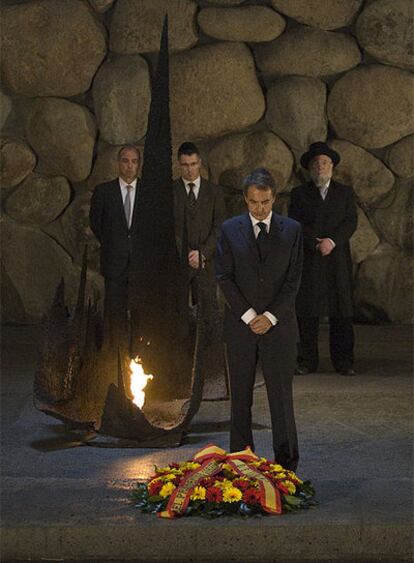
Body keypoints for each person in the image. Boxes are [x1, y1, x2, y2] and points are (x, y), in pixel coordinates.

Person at [215, 168, 303, 471]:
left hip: (279, 329)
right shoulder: (229, 230)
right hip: (241, 328)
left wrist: (271, 317)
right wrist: (251, 316)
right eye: (254, 202)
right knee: (240, 400)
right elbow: (224, 277)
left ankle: (287, 466)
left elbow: (293, 281)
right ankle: (240, 464)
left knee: (281, 399)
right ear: (245, 199)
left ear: (274, 198)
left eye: (265, 202)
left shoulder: (292, 231)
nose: (260, 209)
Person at [288, 142, 358, 376]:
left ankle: (344, 362)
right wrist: (315, 243)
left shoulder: (345, 193)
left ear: (332, 167)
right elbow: (294, 222)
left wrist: (332, 241)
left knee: (342, 312)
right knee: (307, 312)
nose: (320, 167)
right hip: (311, 258)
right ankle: (306, 361)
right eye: (316, 163)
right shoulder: (299, 194)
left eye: (325, 163)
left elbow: (350, 222)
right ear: (310, 168)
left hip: (337, 259)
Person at [89, 145, 141, 345]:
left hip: (139, 263)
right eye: (126, 161)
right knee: (114, 311)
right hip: (113, 261)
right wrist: (114, 244)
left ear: (138, 165)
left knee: (140, 312)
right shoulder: (104, 192)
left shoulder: (147, 192)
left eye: (134, 162)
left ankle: (138, 352)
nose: (129, 166)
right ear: (119, 163)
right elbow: (96, 223)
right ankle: (114, 352)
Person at [173, 141, 225, 309]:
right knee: (176, 313)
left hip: (206, 265)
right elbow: (167, 227)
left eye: (193, 164)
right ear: (179, 165)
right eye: (185, 165)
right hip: (178, 264)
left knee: (207, 314)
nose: (190, 169)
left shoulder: (214, 192)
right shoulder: (170, 191)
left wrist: (202, 253)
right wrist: (186, 254)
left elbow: (219, 226)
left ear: (200, 163)